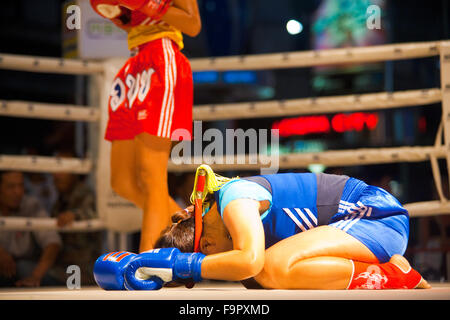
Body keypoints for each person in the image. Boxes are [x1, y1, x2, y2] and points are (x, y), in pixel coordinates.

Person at [99, 164, 431, 290]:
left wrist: (185, 266)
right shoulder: (218, 212)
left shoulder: (234, 199)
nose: (214, 260)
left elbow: (251, 261)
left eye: (205, 256)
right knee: (265, 277)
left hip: (375, 217)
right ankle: (383, 267)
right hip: (362, 231)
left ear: (203, 245)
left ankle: (394, 277)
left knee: (268, 267)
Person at [90, 0, 201, 252]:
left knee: (152, 178)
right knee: (123, 182)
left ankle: (147, 262)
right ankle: (196, 229)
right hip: (135, 61)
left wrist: (150, 5)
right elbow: (133, 23)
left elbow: (193, 25)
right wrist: (121, 15)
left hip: (163, 57)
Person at [0, 171, 62, 287]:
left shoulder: (31, 205)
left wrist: (35, 276)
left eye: (21, 185)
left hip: (26, 266)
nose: (18, 192)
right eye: (11, 186)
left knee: (25, 268)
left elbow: (52, 241)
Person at [49, 150, 101, 286]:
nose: (57, 175)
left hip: (83, 269)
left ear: (75, 172)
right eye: (55, 169)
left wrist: (75, 215)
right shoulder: (59, 199)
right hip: (64, 266)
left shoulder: (84, 193)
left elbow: (93, 212)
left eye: (62, 169)